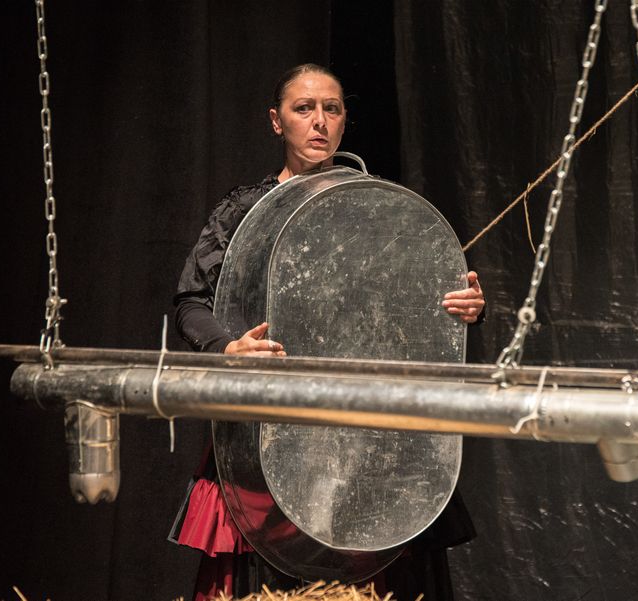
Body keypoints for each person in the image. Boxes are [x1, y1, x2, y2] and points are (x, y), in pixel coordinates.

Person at [169, 63, 485, 601]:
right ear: (277, 121)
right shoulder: (243, 210)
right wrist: (228, 346)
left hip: (364, 437)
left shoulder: (378, 209)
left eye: (331, 109)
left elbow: (412, 310)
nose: (319, 121)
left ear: (343, 121)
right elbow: (191, 302)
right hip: (265, 431)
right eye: (304, 108)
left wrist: (462, 306)